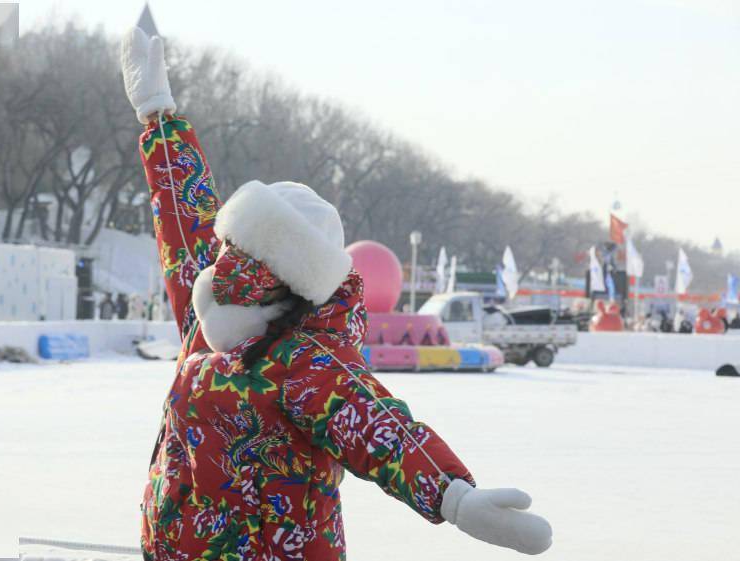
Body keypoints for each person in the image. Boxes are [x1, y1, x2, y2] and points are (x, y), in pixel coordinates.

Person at [120, 28, 552, 561]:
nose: (228, 263)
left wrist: (454, 496)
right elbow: (184, 216)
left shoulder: (305, 361)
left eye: (250, 254)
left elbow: (380, 429)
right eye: (231, 245)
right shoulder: (208, 314)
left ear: (290, 275)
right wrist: (157, 115)